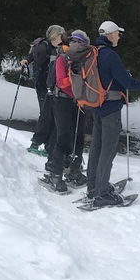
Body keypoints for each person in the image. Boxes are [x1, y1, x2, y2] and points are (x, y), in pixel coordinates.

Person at [85, 21, 140, 207]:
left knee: (97, 146)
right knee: (108, 149)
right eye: (118, 33)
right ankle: (102, 193)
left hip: (96, 106)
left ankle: (93, 187)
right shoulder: (109, 55)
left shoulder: (93, 52)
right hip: (110, 108)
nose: (119, 37)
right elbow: (128, 83)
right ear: (111, 34)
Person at [47, 30, 89, 189]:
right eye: (73, 42)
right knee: (63, 137)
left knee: (79, 137)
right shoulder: (62, 58)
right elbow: (61, 82)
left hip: (79, 101)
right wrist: (76, 79)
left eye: (79, 43)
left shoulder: (86, 60)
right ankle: (55, 174)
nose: (76, 46)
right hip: (62, 100)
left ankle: (74, 171)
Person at [25, 25, 64, 155]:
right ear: (55, 35)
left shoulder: (59, 48)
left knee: (53, 115)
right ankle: (36, 142)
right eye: (61, 35)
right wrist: (26, 61)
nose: (63, 37)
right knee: (46, 114)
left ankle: (48, 146)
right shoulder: (43, 47)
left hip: (54, 86)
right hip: (43, 86)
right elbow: (33, 57)